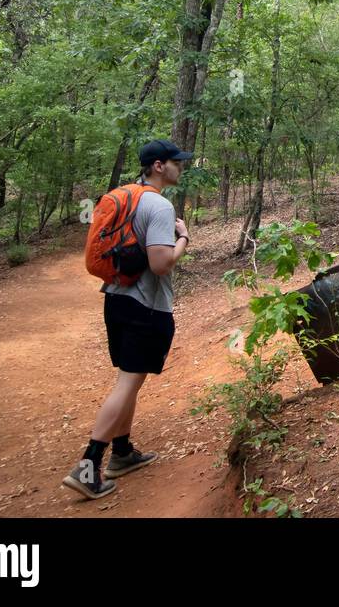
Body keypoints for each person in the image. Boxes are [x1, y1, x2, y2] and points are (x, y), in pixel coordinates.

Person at [61, 139, 193, 500]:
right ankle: (89, 466)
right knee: (127, 384)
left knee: (129, 380)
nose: (181, 167)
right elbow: (161, 263)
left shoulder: (122, 195)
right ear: (158, 166)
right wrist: (184, 239)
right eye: (176, 162)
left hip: (116, 300)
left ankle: (122, 452)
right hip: (146, 308)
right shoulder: (159, 206)